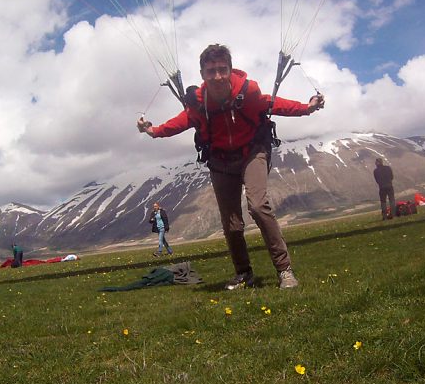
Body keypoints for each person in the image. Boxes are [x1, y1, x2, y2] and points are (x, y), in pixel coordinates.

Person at [137, 44, 324, 290]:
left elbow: (273, 104)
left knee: (258, 206)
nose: (217, 76)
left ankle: (284, 270)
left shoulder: (248, 92)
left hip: (252, 152)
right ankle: (243, 274)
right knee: (232, 222)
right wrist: (153, 131)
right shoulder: (198, 104)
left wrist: (307, 108)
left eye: (222, 70)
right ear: (202, 74)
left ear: (230, 69)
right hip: (220, 161)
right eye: (211, 71)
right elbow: (180, 123)